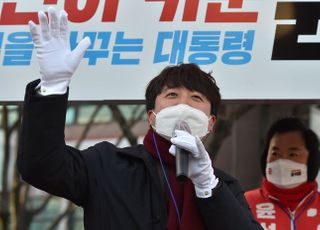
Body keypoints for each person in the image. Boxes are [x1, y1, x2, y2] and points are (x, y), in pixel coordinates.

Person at [17, 7, 262, 230]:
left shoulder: (224, 187)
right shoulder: (107, 165)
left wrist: (208, 186)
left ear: (211, 122)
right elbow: (41, 167)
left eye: (196, 98)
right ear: (151, 116)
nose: (182, 104)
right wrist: (52, 87)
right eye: (172, 94)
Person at [245, 117, 320, 229]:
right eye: (275, 154)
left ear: (311, 160)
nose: (281, 162)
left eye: (292, 155)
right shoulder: (244, 203)